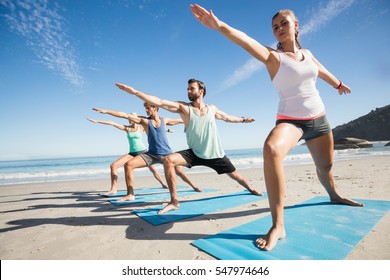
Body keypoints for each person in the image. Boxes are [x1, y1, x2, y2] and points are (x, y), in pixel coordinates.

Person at [189, 4, 364, 251]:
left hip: (320, 120)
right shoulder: (273, 57)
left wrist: (338, 84)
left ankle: (334, 195)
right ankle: (278, 225)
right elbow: (245, 41)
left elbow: (320, 70)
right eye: (275, 27)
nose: (279, 28)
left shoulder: (309, 54)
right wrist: (218, 26)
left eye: (283, 23)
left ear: (295, 25)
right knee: (271, 149)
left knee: (325, 168)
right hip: (291, 122)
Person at [115, 79, 263, 214]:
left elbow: (228, 118)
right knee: (168, 160)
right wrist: (134, 92)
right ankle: (174, 201)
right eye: (187, 89)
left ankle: (250, 188)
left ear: (201, 91)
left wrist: (244, 119)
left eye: (191, 89)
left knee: (236, 176)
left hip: (215, 154)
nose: (188, 91)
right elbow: (159, 102)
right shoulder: (184, 108)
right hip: (195, 153)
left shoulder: (212, 109)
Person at [92, 104, 202, 202]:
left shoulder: (165, 120)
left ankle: (194, 186)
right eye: (145, 109)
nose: (146, 110)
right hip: (151, 154)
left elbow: (181, 120)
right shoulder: (144, 121)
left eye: (148, 108)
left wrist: (197, 118)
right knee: (128, 165)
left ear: (156, 108)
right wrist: (106, 111)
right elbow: (125, 115)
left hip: (167, 155)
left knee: (180, 172)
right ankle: (130, 194)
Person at [86, 115, 169, 195]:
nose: (129, 118)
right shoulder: (127, 128)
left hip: (143, 152)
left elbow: (155, 129)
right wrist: (97, 121)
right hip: (131, 153)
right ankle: (113, 189)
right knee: (113, 166)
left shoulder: (141, 127)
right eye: (129, 117)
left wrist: (168, 131)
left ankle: (163, 183)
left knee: (153, 170)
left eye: (132, 116)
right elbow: (112, 123)